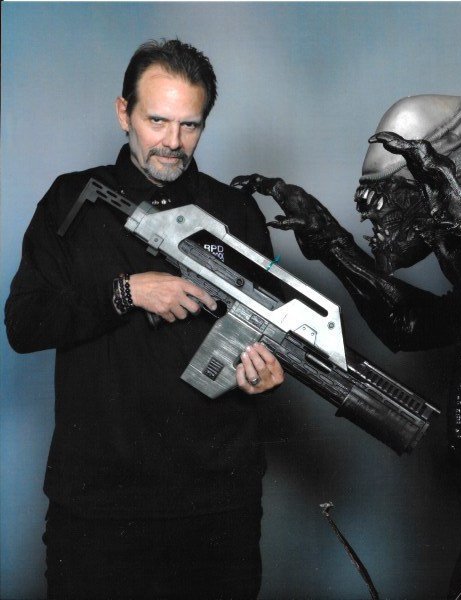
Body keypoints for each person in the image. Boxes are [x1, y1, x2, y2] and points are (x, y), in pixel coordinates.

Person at [5, 39, 284, 599]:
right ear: (123, 112)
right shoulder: (69, 201)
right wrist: (126, 292)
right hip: (99, 509)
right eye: (157, 120)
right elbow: (24, 324)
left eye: (189, 125)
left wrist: (266, 372)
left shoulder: (235, 213)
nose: (172, 142)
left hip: (217, 509)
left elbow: (272, 331)